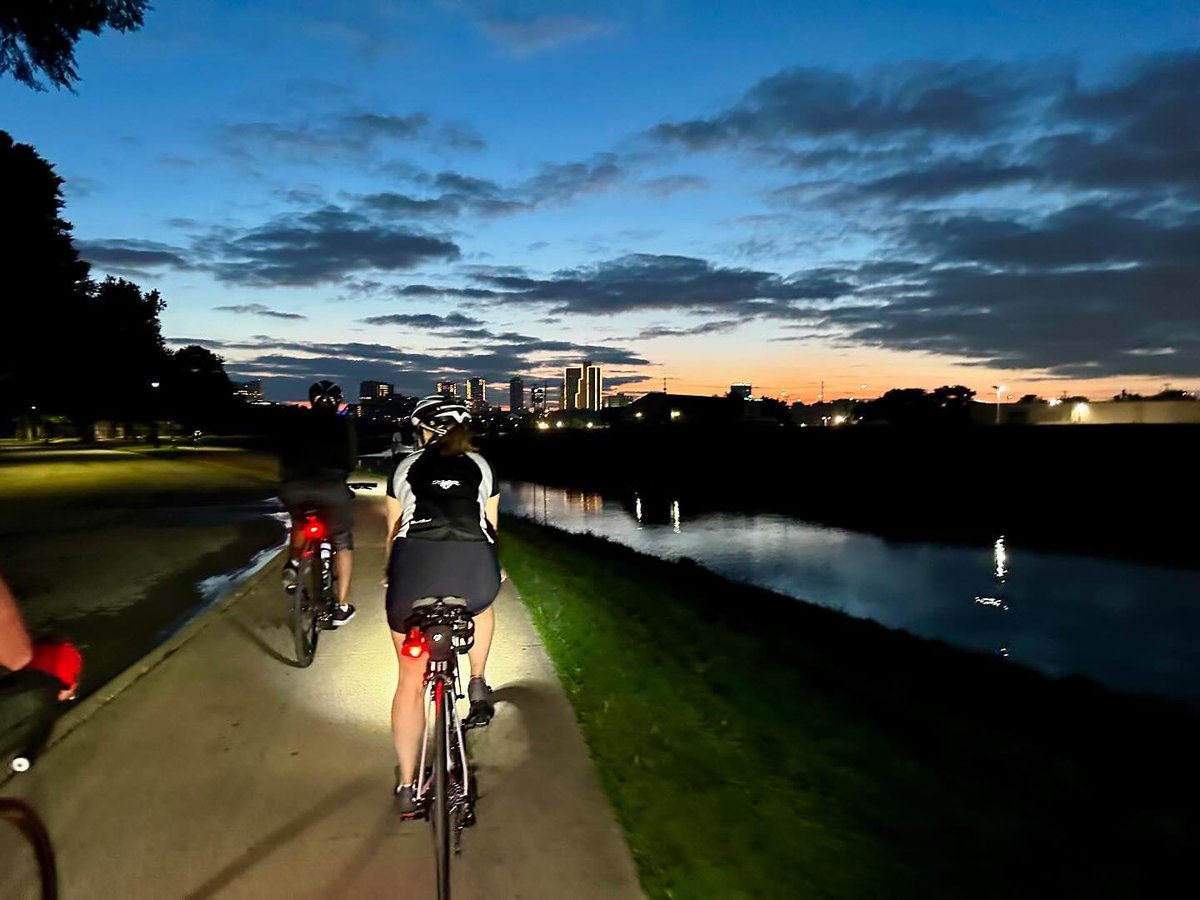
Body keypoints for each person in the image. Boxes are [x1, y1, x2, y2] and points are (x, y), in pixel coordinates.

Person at [386, 395, 501, 816]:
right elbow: (489, 525)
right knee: (482, 603)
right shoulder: (482, 465)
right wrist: (495, 568)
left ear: (426, 430)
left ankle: (406, 784)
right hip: (473, 568)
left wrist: (391, 573)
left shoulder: (406, 466)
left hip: (415, 565)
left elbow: (393, 528)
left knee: (409, 679)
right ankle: (476, 680)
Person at [278, 380, 358, 626]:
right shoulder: (344, 424)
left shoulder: (296, 421)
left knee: (300, 522)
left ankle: (293, 564)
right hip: (331, 487)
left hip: (294, 486)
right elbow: (351, 459)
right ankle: (341, 605)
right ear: (337, 401)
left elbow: (285, 454)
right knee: (342, 541)